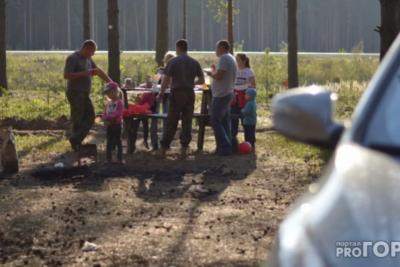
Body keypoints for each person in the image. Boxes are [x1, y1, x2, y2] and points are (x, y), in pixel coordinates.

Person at [158, 39, 205, 159]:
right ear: (186, 48)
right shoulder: (194, 62)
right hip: (189, 94)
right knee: (187, 121)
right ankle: (184, 150)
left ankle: (163, 149)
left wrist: (161, 93)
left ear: (178, 48)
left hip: (176, 93)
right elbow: (202, 81)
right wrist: (191, 83)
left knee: (171, 121)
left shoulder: (173, 62)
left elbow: (166, 79)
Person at [64, 40, 111, 151]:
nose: (93, 54)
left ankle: (76, 139)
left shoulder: (88, 59)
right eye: (92, 51)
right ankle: (76, 144)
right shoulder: (73, 58)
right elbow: (66, 75)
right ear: (86, 48)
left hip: (84, 93)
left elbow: (97, 71)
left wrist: (110, 82)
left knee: (90, 117)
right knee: (78, 118)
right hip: (75, 92)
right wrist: (86, 73)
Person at [207, 40, 238, 156]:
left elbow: (219, 76)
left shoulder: (224, 58)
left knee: (215, 121)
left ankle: (225, 146)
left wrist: (210, 73)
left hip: (221, 95)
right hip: (227, 93)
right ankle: (227, 147)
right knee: (225, 122)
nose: (215, 50)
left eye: (216, 47)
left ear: (222, 48)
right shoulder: (231, 58)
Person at [232, 53, 256, 150]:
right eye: (235, 59)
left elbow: (253, 85)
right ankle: (233, 141)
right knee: (233, 119)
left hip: (244, 97)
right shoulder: (235, 70)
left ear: (244, 60)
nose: (236, 61)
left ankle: (249, 142)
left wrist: (245, 90)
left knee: (245, 121)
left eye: (238, 59)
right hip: (234, 97)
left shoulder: (248, 71)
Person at [102, 82, 124, 163]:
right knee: (109, 142)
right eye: (107, 93)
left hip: (117, 125)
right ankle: (108, 159)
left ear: (115, 91)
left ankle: (120, 159)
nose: (108, 94)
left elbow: (118, 113)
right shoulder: (108, 103)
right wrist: (104, 118)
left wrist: (109, 117)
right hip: (109, 125)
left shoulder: (119, 103)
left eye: (109, 92)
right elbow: (104, 112)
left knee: (118, 141)